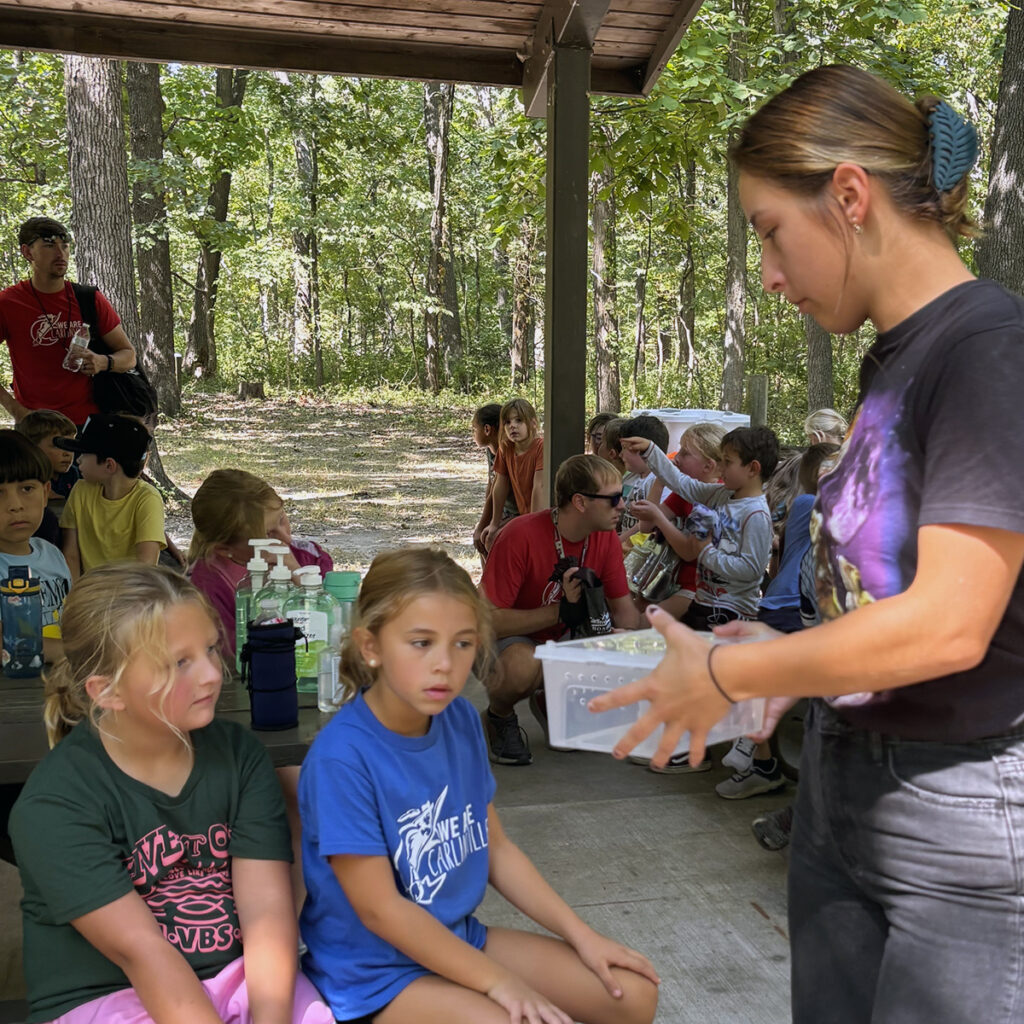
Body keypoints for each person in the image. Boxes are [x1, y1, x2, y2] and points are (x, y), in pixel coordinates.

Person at [592, 64, 1024, 1024]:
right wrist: (791, 666)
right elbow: (874, 595)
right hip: (847, 780)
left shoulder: (986, 348)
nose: (772, 275)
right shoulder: (895, 355)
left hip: (957, 810)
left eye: (769, 234)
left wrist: (735, 673)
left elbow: (954, 624)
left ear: (850, 197)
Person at [298, 547, 659, 1024]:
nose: (445, 664)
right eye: (421, 643)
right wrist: (498, 983)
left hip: (456, 937)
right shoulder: (343, 757)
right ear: (371, 646)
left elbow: (498, 850)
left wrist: (582, 935)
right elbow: (382, 912)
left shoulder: (460, 720)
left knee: (631, 994)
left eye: (463, 643)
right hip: (375, 975)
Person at [8, 563, 333, 1024]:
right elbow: (142, 952)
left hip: (239, 977)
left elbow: (266, 915)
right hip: (109, 995)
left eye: (210, 649)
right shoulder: (56, 803)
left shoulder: (239, 756)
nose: (211, 675)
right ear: (108, 692)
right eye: (179, 663)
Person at [479, 455, 642, 766]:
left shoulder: (605, 537)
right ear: (580, 502)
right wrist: (560, 612)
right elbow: (484, 621)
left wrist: (627, 647)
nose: (623, 506)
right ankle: (499, 716)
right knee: (521, 667)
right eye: (614, 499)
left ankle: (551, 700)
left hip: (568, 639)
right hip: (511, 640)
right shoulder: (519, 534)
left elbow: (625, 613)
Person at [0, 217, 138, 427]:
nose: (60, 253)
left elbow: (129, 356)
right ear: (27, 252)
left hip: (89, 424)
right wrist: (17, 411)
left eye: (65, 246)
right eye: (49, 245)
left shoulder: (89, 299)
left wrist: (102, 362)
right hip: (36, 428)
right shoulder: (9, 303)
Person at [188, 468, 333, 658]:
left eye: (282, 519)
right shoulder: (207, 586)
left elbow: (332, 625)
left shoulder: (308, 557)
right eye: (268, 534)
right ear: (224, 549)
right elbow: (227, 652)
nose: (285, 539)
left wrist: (298, 575)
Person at [56, 413, 165, 578]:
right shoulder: (80, 490)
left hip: (130, 596)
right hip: (87, 593)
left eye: (84, 454)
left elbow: (146, 565)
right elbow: (71, 555)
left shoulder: (147, 499)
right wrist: (75, 597)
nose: (78, 461)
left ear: (109, 465)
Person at [0, 430, 71, 663]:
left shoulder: (51, 554)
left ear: (45, 493)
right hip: (14, 694)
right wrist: (68, 652)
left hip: (59, 686)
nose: (15, 505)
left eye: (27, 489)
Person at [482, 398, 544, 551]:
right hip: (521, 515)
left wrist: (533, 525)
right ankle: (492, 575)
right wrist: (494, 523)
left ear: (533, 423)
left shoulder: (540, 447)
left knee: (509, 543)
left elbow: (539, 487)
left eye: (519, 421)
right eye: (507, 422)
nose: (512, 426)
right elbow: (499, 485)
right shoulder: (506, 448)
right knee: (487, 537)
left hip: (540, 517)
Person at [471, 403, 517, 561]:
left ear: (487, 429)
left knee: (487, 538)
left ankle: (493, 581)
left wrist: (483, 524)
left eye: (474, 429)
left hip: (517, 511)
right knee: (482, 539)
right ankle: (486, 581)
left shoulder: (507, 451)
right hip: (503, 510)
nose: (473, 434)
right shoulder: (490, 451)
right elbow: (491, 486)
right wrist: (484, 521)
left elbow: (498, 487)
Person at [615, 414, 669, 540]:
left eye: (624, 448)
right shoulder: (633, 478)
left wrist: (619, 541)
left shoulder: (658, 481)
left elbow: (650, 522)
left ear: (642, 450)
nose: (621, 454)